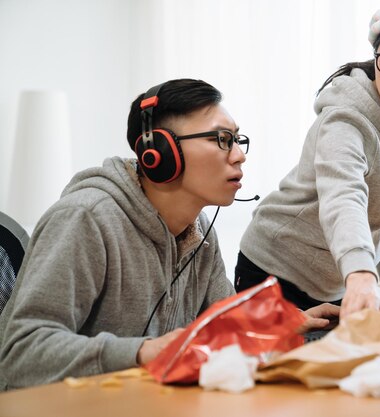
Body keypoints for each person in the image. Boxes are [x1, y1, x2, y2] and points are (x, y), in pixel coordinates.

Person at [0, 79, 338, 390]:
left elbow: (220, 325)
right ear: (158, 153)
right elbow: (19, 354)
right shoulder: (86, 219)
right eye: (221, 139)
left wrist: (284, 324)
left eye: (237, 139)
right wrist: (145, 351)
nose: (239, 155)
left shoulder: (200, 231)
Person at [235, 0, 380, 319]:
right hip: (275, 272)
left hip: (341, 280)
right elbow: (344, 197)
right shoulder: (345, 120)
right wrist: (362, 274)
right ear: (375, 55)